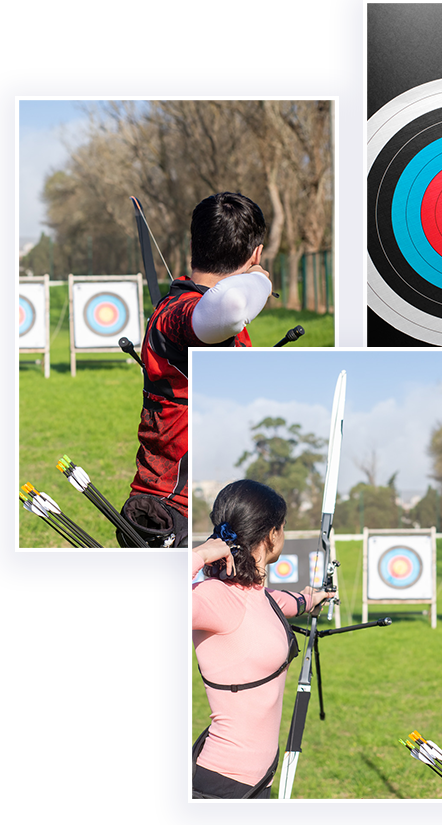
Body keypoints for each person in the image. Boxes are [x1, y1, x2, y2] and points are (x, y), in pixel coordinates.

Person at [117, 193, 272, 549]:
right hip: (167, 513)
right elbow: (230, 305)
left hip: (205, 508)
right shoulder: (182, 314)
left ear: (192, 243)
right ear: (257, 254)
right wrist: (260, 281)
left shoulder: (199, 316)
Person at [191, 480, 333, 799]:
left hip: (257, 783)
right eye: (282, 527)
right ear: (272, 534)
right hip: (222, 785)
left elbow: (285, 602)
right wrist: (200, 554)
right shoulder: (214, 598)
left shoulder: (258, 597)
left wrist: (314, 598)